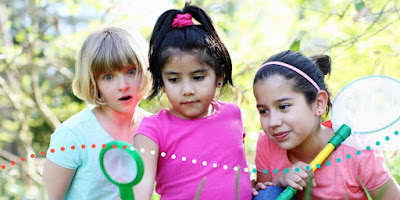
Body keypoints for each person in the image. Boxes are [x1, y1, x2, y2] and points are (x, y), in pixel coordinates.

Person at [133, 2, 252, 200]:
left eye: (198, 77)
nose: (187, 90)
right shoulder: (152, 130)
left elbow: (235, 173)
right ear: (162, 83)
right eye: (174, 80)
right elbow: (139, 190)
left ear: (219, 76)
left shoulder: (233, 114)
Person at [252, 50, 400, 199]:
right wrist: (280, 180)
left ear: (319, 103)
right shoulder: (267, 143)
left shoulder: (356, 152)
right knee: (268, 195)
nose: (273, 122)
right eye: (263, 111)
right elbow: (266, 193)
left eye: (283, 106)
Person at [42, 26, 151, 200]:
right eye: (108, 76)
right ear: (93, 83)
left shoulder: (155, 127)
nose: (123, 85)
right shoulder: (72, 135)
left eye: (131, 71)